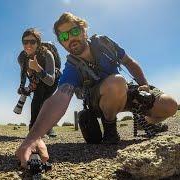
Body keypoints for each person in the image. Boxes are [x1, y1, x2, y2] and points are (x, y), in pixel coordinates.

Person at [16, 12, 178, 167]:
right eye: (64, 36)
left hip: (123, 92)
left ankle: (145, 122)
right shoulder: (72, 67)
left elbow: (129, 62)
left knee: (170, 105)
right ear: (61, 43)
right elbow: (60, 98)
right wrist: (32, 138)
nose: (70, 38)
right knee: (116, 82)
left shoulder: (104, 43)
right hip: (98, 104)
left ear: (84, 30)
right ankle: (110, 128)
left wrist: (144, 85)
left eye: (74, 31)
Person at [17, 28, 61, 137]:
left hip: (52, 79)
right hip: (37, 79)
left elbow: (50, 81)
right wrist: (22, 87)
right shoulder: (22, 57)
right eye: (25, 42)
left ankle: (46, 128)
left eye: (32, 42)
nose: (28, 45)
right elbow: (24, 73)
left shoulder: (47, 54)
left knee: (44, 101)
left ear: (38, 43)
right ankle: (34, 130)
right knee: (38, 95)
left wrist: (38, 69)